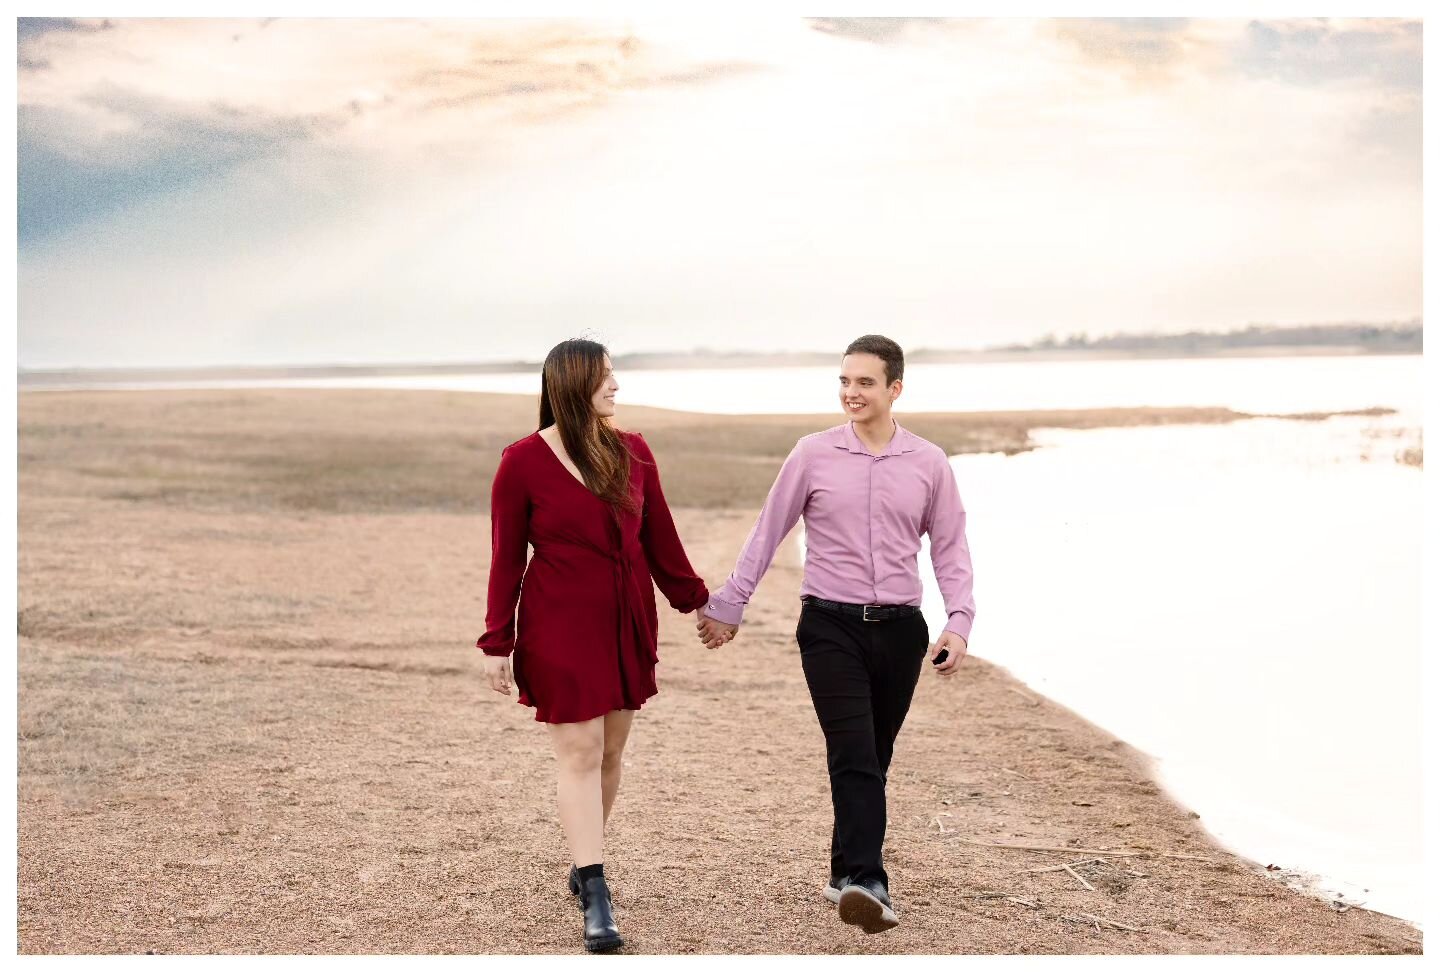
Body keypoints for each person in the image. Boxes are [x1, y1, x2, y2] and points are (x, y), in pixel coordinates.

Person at [697, 334, 975, 935]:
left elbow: (950, 547)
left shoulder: (929, 462)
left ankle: (840, 868)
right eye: (844, 381)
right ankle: (868, 879)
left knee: (874, 758)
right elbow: (769, 531)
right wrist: (730, 603)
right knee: (853, 751)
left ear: (895, 388)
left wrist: (959, 621)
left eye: (865, 382)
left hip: (902, 630)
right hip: (828, 625)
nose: (851, 393)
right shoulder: (813, 454)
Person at [477, 338, 717, 953]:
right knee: (580, 752)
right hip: (558, 620)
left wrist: (699, 602)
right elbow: (506, 558)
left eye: (615, 376)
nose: (616, 387)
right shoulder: (522, 461)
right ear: (573, 384)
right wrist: (496, 640)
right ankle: (596, 889)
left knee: (610, 753)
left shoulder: (634, 452)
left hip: (627, 617)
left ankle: (584, 863)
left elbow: (660, 538)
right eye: (605, 378)